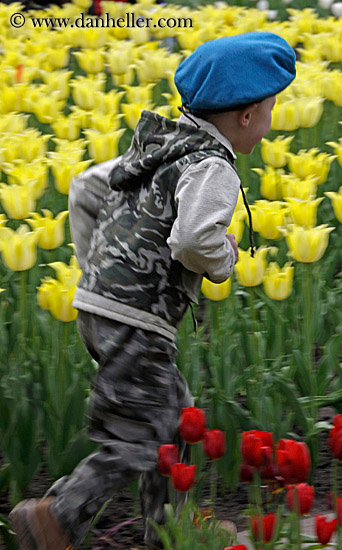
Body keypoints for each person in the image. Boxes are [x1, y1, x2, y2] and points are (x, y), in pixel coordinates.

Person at [9, 31, 296, 550]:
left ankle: (168, 528)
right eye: (272, 109)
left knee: (174, 415)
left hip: (103, 309)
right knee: (140, 435)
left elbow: (87, 188)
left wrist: (98, 268)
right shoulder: (214, 167)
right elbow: (193, 239)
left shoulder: (161, 145)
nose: (272, 121)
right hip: (139, 319)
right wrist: (223, 260)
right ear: (249, 115)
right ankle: (57, 517)